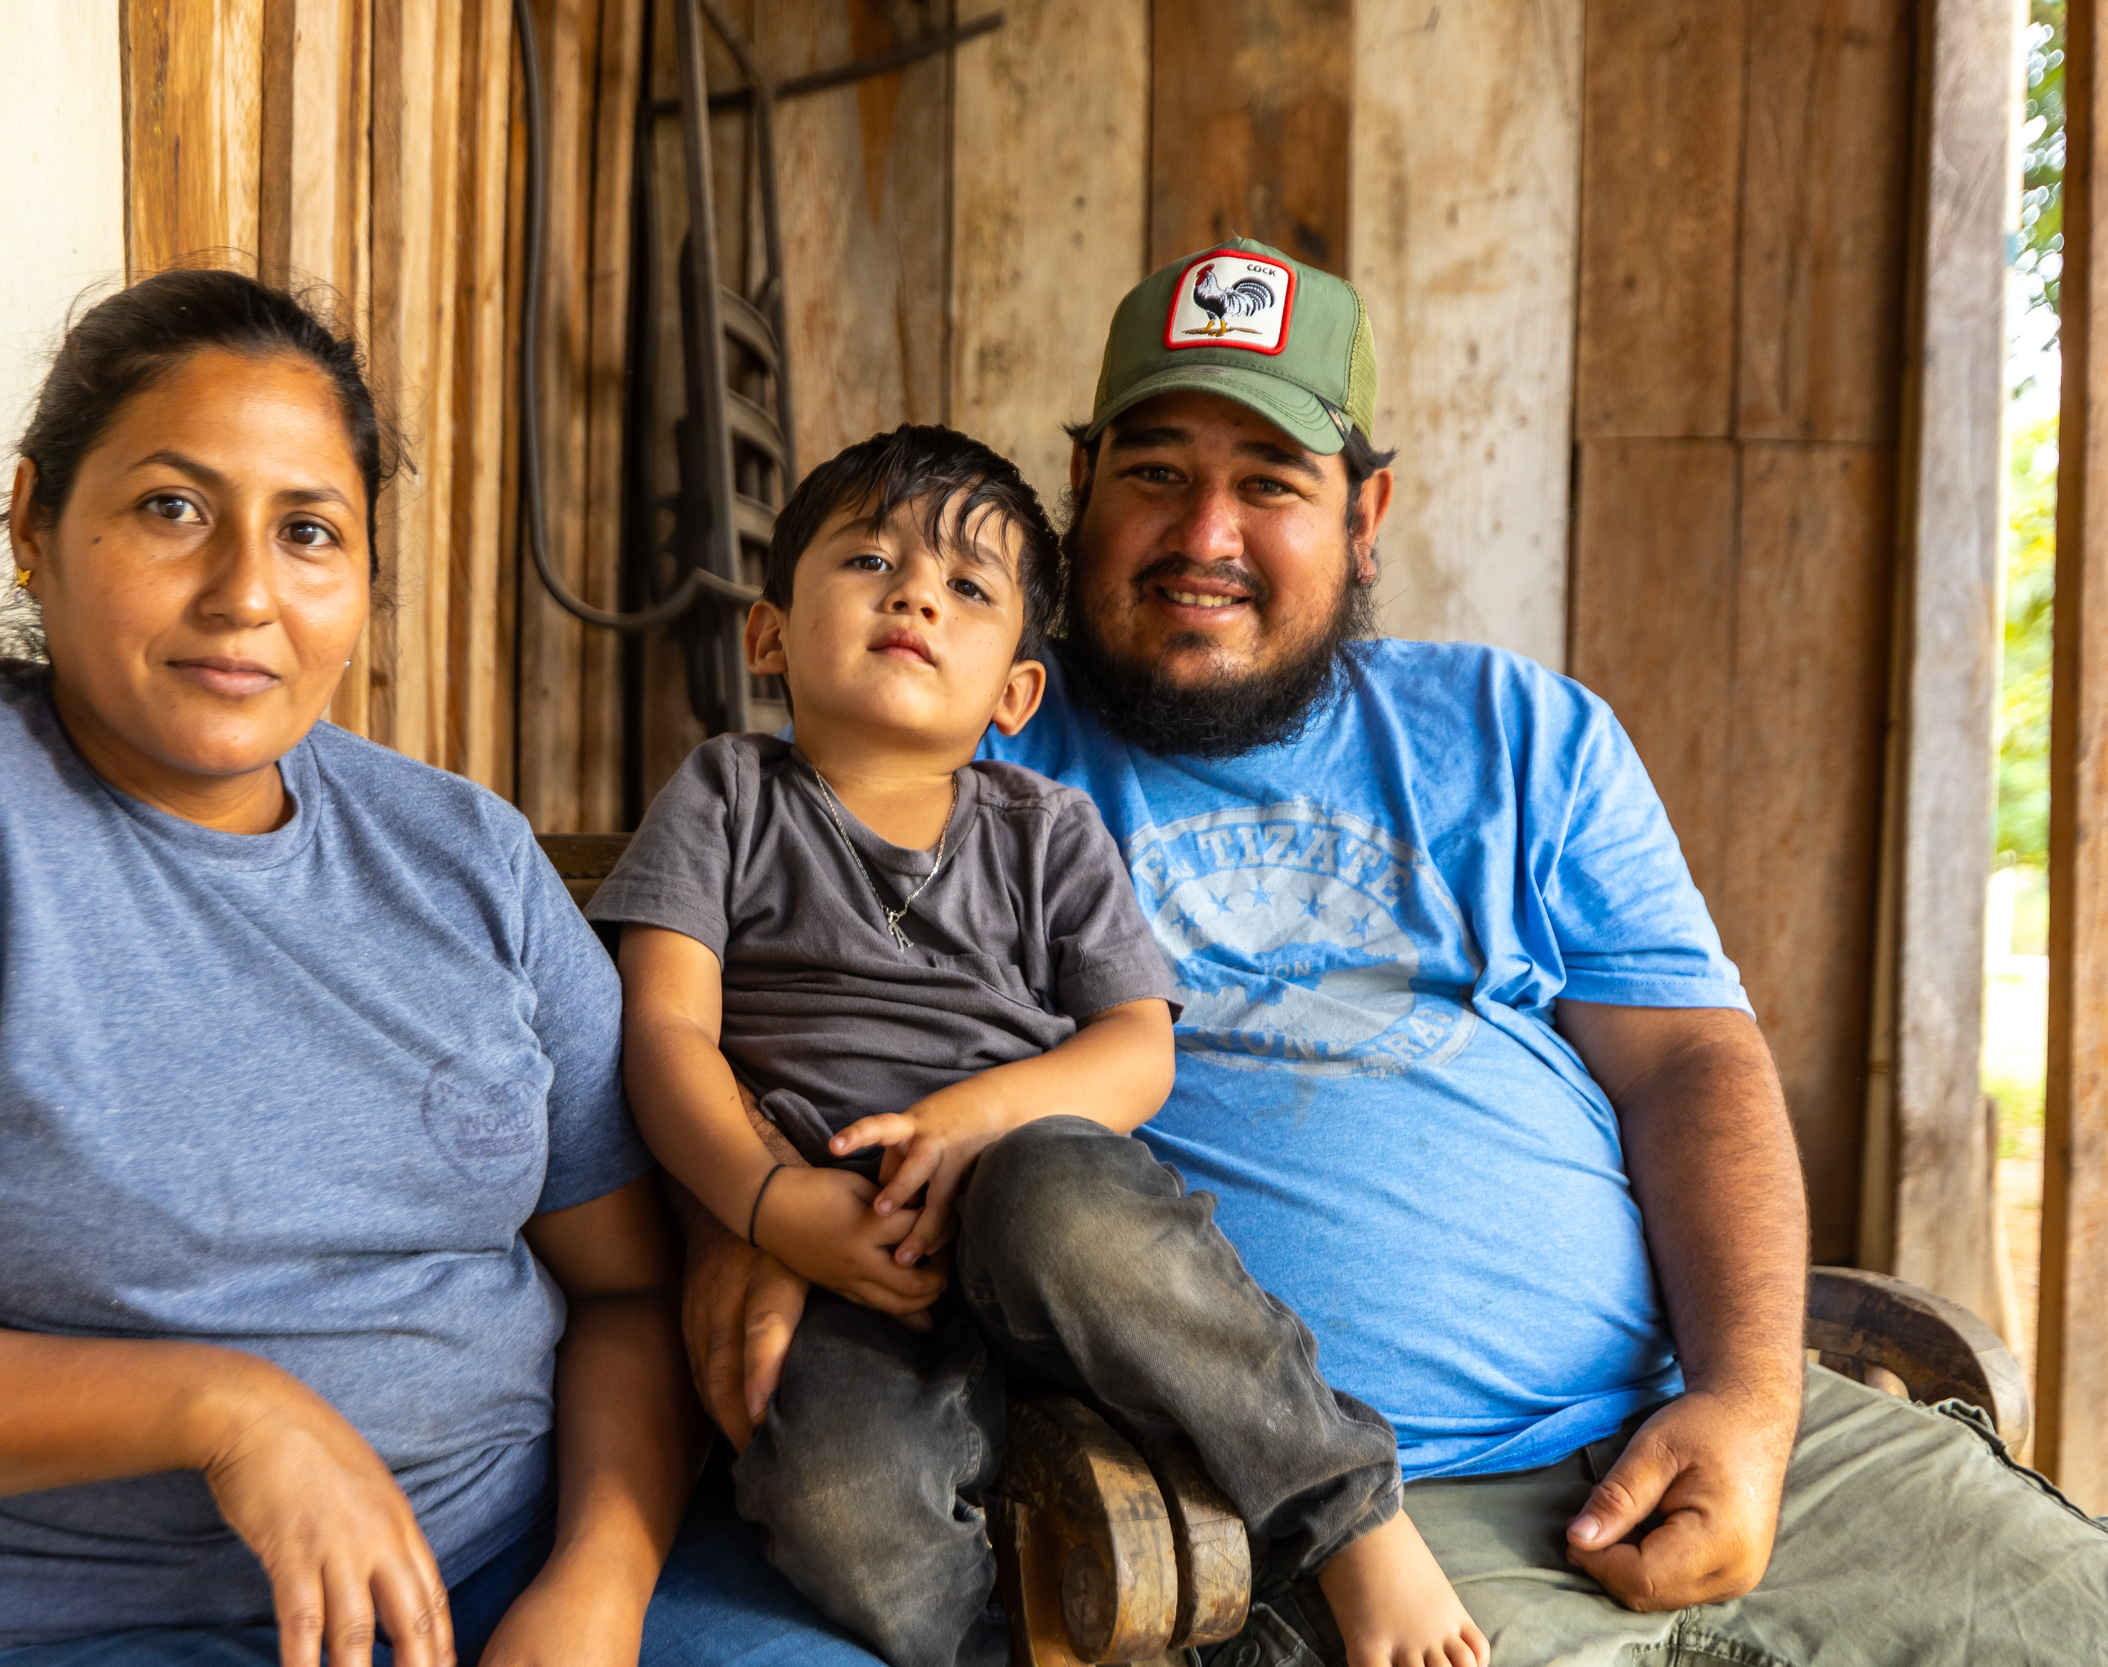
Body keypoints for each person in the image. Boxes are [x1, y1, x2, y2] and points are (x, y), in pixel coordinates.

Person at [673, 239, 2108, 1665]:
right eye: (1156, 470)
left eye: (1271, 484)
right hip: (1329, 1521)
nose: (1204, 533)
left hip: (1701, 1427)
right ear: (1084, 488)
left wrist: (1743, 1400)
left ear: (1368, 515)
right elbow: (758, 1012)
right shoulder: (956, 745)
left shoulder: (1520, 732)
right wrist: (753, 1220)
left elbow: (1691, 1063)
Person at [0, 270, 705, 1667]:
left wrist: (597, 1587)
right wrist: (224, 1407)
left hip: (516, 1584)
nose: (244, 591)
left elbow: (627, 1286)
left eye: (309, 531)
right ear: (33, 525)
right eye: (172, 508)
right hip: (81, 1623)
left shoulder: (463, 855)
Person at [587, 424, 1488, 1667]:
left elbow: (1135, 1047)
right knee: (838, 1497)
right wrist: (769, 1205)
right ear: (768, 634)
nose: (913, 593)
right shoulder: (727, 798)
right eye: (867, 562)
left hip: (1026, 1189)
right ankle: (1001, 1646)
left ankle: (1345, 1516)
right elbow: (662, 1031)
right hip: (845, 1242)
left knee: (1070, 1203)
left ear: (1014, 691)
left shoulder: (1043, 827)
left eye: (966, 588)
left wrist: (980, 1116)